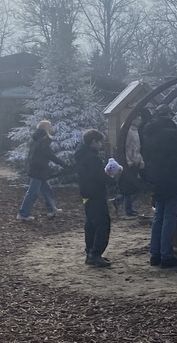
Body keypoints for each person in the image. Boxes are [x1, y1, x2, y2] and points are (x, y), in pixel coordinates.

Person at [143, 105, 177, 269]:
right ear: (168, 116)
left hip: (156, 178)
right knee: (169, 216)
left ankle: (155, 254)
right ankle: (167, 256)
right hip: (172, 178)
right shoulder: (172, 134)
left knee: (158, 216)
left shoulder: (148, 133)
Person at [75, 129, 113, 267]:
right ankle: (96, 254)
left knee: (90, 223)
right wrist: (113, 178)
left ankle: (90, 252)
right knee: (102, 223)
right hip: (96, 193)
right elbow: (99, 177)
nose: (101, 145)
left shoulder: (81, 155)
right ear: (93, 142)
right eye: (99, 142)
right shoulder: (93, 158)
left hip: (86, 193)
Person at [16, 120, 66, 221]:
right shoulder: (44, 139)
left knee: (46, 190)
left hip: (35, 168)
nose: (51, 129)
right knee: (33, 192)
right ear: (46, 128)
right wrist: (62, 163)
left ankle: (52, 209)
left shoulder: (35, 138)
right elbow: (48, 154)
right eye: (50, 126)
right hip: (39, 170)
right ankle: (23, 214)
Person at [112, 113, 144, 217]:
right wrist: (127, 161)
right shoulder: (128, 132)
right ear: (132, 120)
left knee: (132, 187)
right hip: (129, 163)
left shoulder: (135, 131)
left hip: (134, 161)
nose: (140, 121)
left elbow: (136, 148)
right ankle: (127, 208)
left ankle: (120, 201)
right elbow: (124, 147)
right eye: (138, 119)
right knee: (130, 187)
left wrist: (140, 160)